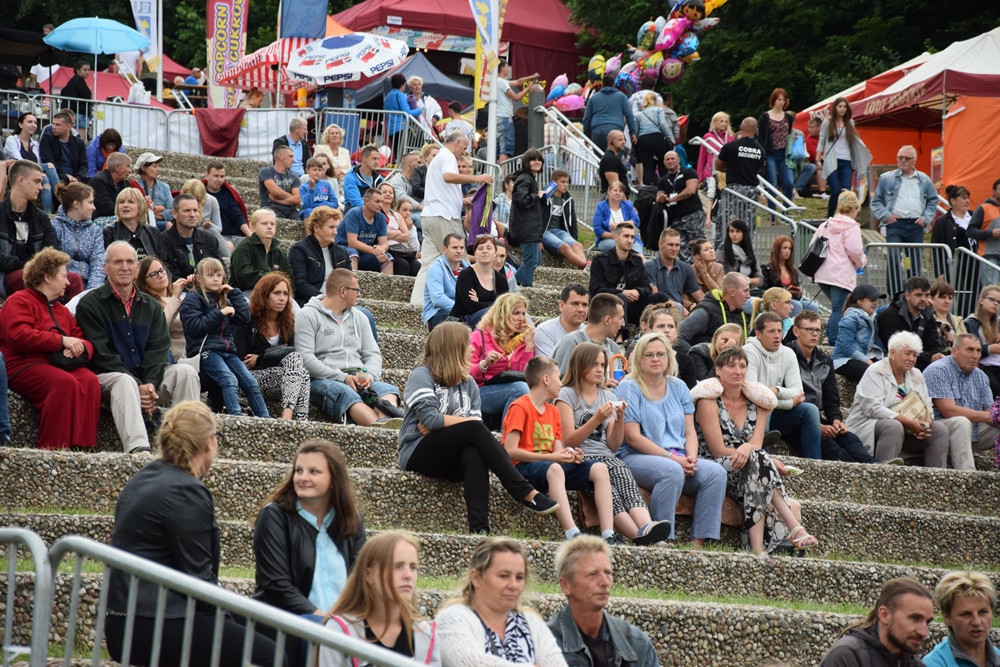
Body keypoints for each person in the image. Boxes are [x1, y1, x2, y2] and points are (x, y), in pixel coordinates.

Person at [104, 402, 282, 667]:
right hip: (156, 622)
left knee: (270, 630)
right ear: (209, 442)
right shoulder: (187, 491)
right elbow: (200, 584)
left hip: (128, 621)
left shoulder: (145, 476)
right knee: (274, 657)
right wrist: (232, 624)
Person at [399, 322, 558, 532]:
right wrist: (443, 423)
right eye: (467, 344)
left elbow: (453, 426)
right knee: (474, 429)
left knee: (475, 452)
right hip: (417, 451)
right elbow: (431, 421)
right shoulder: (422, 375)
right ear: (453, 347)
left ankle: (480, 530)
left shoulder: (469, 384)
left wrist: (443, 422)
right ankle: (524, 492)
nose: (473, 349)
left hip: (452, 458)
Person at [76, 241, 201, 453]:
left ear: (136, 268)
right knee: (124, 380)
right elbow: (102, 355)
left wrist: (150, 384)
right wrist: (138, 385)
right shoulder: (90, 304)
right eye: (117, 262)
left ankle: (186, 448)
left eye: (129, 262)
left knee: (186, 372)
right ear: (105, 268)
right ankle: (138, 449)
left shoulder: (151, 306)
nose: (124, 267)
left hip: (145, 383)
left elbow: (158, 351)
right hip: (107, 380)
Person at [694, 346, 817, 554]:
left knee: (758, 461)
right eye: (731, 366)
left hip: (751, 469)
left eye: (742, 366)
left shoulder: (758, 402)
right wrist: (749, 453)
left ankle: (758, 550)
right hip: (718, 467)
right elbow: (717, 450)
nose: (738, 371)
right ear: (718, 370)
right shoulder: (708, 402)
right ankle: (793, 527)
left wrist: (748, 450)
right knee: (759, 460)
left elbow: (757, 444)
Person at [614, 332, 727, 547]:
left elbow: (689, 433)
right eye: (649, 355)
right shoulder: (629, 387)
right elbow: (632, 437)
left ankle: (698, 542)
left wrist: (691, 458)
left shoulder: (679, 386)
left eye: (660, 354)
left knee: (716, 473)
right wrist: (674, 460)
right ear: (639, 359)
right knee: (671, 471)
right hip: (636, 455)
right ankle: (662, 538)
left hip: (678, 456)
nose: (655, 359)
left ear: (669, 358)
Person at [556, 343, 673, 546]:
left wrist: (619, 419)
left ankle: (649, 530)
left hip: (607, 456)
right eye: (594, 365)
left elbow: (612, 445)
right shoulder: (566, 395)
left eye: (602, 364)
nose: (600, 369)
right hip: (581, 458)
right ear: (580, 365)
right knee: (612, 495)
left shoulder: (608, 395)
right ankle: (640, 537)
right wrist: (595, 419)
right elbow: (569, 439)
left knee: (627, 485)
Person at [503, 356, 621, 543]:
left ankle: (609, 535)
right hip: (524, 468)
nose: (561, 382)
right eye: (558, 377)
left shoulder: (553, 411)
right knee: (555, 468)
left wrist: (571, 456)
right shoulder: (520, 406)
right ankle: (571, 533)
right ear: (546, 379)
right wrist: (552, 458)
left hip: (551, 467)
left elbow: (558, 452)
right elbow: (509, 451)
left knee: (599, 468)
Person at [253, 440, 366, 617]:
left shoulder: (353, 521)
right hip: (289, 627)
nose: (303, 478)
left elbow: (361, 583)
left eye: (314, 472)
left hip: (341, 630)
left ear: (334, 480)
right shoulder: (274, 517)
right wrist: (324, 623)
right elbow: (277, 586)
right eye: (299, 471)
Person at [0, 247, 98, 450]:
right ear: (47, 276)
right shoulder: (18, 300)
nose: (68, 282)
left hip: (56, 363)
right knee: (64, 383)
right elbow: (18, 336)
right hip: (22, 363)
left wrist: (80, 348)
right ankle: (53, 449)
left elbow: (83, 339)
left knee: (89, 380)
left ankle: (83, 448)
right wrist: (61, 341)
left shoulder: (62, 310)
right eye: (63, 276)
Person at [435, 538, 568, 667]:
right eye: (504, 576)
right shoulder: (451, 619)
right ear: (476, 578)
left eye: (519, 577)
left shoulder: (532, 622)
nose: (513, 585)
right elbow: (470, 663)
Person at [295, 269, 402, 427]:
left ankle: (387, 425)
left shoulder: (360, 317)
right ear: (343, 291)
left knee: (388, 391)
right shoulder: (307, 315)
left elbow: (372, 354)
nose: (359, 294)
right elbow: (305, 359)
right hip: (324, 379)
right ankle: (381, 428)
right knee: (347, 394)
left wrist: (369, 377)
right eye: (356, 290)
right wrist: (342, 377)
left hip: (358, 378)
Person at [319, 531, 440, 667]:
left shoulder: (424, 634)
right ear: (369, 575)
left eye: (413, 567)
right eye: (397, 567)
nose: (408, 575)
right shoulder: (339, 631)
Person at [548, 536, 661, 667]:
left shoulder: (637, 644)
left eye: (608, 573)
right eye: (592, 574)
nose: (605, 582)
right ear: (565, 584)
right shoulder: (543, 647)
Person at [179, 257, 269, 418]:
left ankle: (267, 420)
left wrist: (234, 294)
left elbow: (244, 318)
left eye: (219, 275)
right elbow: (195, 327)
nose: (215, 279)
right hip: (207, 352)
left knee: (251, 383)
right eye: (210, 275)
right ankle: (236, 418)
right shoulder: (193, 298)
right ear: (199, 278)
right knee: (229, 380)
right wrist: (220, 313)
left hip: (227, 351)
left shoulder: (223, 299)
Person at [844, 331, 949, 467]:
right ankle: (885, 473)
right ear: (892, 353)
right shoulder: (875, 371)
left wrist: (925, 423)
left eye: (915, 355)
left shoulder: (916, 374)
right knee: (893, 425)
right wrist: (907, 421)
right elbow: (873, 408)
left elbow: (927, 404)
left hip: (909, 431)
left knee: (939, 429)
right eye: (907, 353)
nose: (911, 359)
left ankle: (937, 477)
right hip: (869, 428)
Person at [410, 131, 491, 307]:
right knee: (459, 257)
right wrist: (477, 178)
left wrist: (465, 201)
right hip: (444, 217)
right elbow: (448, 177)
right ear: (457, 143)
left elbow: (441, 191)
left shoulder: (439, 158)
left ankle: (416, 303)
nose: (464, 151)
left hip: (430, 216)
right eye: (464, 147)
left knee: (429, 263)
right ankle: (471, 301)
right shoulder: (447, 156)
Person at [788, 310, 881, 464]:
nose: (814, 334)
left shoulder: (824, 359)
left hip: (818, 415)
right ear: (796, 331)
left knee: (849, 438)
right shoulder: (787, 355)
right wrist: (817, 426)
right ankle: (861, 470)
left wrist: (836, 420)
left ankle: (876, 467)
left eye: (817, 330)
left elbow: (831, 397)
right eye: (809, 330)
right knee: (831, 447)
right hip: (795, 418)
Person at [0, 160, 84, 299]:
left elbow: (52, 251)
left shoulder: (41, 218)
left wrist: (39, 269)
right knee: (28, 278)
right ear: (21, 180)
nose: (41, 187)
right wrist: (30, 267)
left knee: (74, 280)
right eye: (37, 181)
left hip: (38, 272)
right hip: (7, 275)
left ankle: (71, 319)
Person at [235, 272, 312, 421]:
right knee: (301, 374)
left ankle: (289, 415)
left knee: (301, 370)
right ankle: (299, 420)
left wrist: (261, 359)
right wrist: (265, 360)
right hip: (249, 379)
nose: (282, 298)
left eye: (285, 293)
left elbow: (292, 352)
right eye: (276, 293)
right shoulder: (247, 319)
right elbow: (240, 359)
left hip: (283, 378)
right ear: (264, 295)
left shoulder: (288, 322)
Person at [743, 312, 822, 459]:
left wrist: (776, 391)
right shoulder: (748, 352)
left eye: (779, 331)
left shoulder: (788, 353)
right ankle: (763, 463)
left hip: (775, 411)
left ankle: (814, 462)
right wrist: (789, 403)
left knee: (810, 410)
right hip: (750, 413)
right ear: (758, 334)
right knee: (763, 408)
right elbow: (754, 396)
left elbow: (798, 391)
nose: (777, 336)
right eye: (771, 331)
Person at [817, 576, 933, 667]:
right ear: (884, 615)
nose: (923, 632)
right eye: (914, 618)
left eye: (927, 622)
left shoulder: (916, 665)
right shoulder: (848, 657)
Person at [870, 145, 939, 297]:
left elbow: (933, 200)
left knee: (913, 262)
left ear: (914, 161)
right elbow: (876, 202)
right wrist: (887, 216)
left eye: (906, 158)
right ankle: (895, 294)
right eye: (900, 157)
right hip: (896, 224)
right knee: (894, 257)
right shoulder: (887, 178)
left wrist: (925, 219)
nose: (902, 161)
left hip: (916, 225)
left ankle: (914, 293)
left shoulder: (924, 179)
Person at [923, 334, 998, 471]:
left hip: (973, 432)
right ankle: (968, 476)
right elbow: (949, 410)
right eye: (969, 350)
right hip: (938, 431)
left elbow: (990, 410)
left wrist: (995, 416)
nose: (975, 355)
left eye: (978, 351)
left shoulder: (981, 376)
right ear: (954, 351)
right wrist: (992, 416)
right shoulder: (938, 370)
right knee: (961, 421)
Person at [468, 292, 534, 423]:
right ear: (502, 314)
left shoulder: (522, 340)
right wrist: (484, 364)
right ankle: (508, 438)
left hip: (511, 389)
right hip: (478, 392)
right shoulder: (479, 336)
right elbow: (465, 374)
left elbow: (524, 375)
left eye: (523, 313)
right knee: (520, 389)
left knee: (526, 389)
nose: (521, 318)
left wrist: (528, 347)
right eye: (516, 313)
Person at [590, 222, 669, 329]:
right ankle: (621, 338)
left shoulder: (637, 261)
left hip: (632, 308)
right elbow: (596, 290)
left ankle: (657, 332)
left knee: (661, 297)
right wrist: (622, 292)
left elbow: (646, 288)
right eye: (626, 236)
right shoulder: (600, 261)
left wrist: (637, 291)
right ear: (615, 237)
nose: (630, 240)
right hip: (608, 309)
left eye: (632, 237)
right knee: (620, 298)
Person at [814, 190, 868, 341]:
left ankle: (832, 337)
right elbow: (855, 251)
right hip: (840, 274)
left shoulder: (826, 224)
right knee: (839, 309)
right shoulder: (851, 227)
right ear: (854, 209)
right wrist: (862, 262)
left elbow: (814, 243)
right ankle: (833, 340)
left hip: (822, 273)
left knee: (838, 308)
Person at [924, 570, 1000, 667]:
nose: (976, 622)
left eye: (982, 612)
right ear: (947, 617)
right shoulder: (935, 663)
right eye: (966, 614)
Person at [816, 96, 872, 218]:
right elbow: (822, 140)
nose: (842, 109)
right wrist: (817, 157)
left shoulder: (850, 123)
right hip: (831, 160)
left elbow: (855, 141)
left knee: (845, 191)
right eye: (840, 106)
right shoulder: (827, 123)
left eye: (844, 107)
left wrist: (862, 155)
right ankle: (830, 217)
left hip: (846, 160)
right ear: (835, 108)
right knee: (835, 190)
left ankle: (845, 217)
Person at [876, 275, 945, 371]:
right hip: (895, 366)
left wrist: (935, 356)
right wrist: (929, 357)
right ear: (907, 296)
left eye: (927, 295)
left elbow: (934, 345)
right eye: (918, 295)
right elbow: (898, 349)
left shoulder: (928, 314)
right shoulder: (889, 315)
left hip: (922, 364)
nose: (923, 299)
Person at [714, 118, 765, 245]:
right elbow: (758, 168)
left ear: (741, 128)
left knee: (726, 223)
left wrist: (730, 168)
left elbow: (718, 165)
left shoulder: (731, 146)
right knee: (747, 225)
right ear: (756, 131)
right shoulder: (761, 150)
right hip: (752, 192)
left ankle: (722, 252)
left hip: (733, 190)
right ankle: (746, 251)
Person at [677, 272, 750, 354]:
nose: (748, 296)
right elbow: (677, 336)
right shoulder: (706, 311)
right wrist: (698, 358)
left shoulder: (742, 314)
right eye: (745, 291)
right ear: (732, 292)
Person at [51, 181, 106, 290]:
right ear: (76, 204)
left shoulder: (95, 230)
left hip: (89, 286)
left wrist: (93, 291)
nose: (94, 207)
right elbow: (54, 263)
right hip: (64, 286)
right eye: (90, 203)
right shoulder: (54, 227)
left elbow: (98, 262)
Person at [157, 194, 225, 280]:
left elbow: (221, 269)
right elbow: (168, 274)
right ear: (174, 213)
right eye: (187, 211)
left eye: (195, 210)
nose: (192, 215)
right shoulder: (163, 241)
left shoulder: (209, 240)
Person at [506, 148, 546, 287]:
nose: (537, 162)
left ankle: (513, 284)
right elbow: (521, 199)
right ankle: (527, 290)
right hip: (526, 228)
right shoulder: (524, 178)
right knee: (531, 261)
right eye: (533, 160)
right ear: (526, 162)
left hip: (531, 228)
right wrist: (537, 196)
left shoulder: (529, 178)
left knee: (537, 260)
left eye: (539, 160)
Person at [4, 112, 59, 212]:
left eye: (35, 123)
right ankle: (61, 198)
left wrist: (39, 173)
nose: (34, 125)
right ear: (20, 124)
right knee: (49, 166)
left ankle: (48, 212)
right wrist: (38, 171)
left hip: (32, 173)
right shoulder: (11, 139)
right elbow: (20, 161)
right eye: (30, 122)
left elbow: (38, 162)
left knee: (45, 179)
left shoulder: (35, 144)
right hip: (17, 172)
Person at [137, 256, 188, 362]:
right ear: (144, 282)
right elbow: (161, 327)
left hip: (195, 353)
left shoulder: (184, 297)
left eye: (162, 270)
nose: (161, 275)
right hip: (173, 358)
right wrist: (175, 297)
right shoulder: (147, 304)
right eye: (154, 274)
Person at [652, 152, 702, 260]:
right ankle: (692, 269)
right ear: (664, 162)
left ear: (678, 159)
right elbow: (659, 195)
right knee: (680, 247)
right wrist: (661, 199)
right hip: (675, 218)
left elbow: (691, 190)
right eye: (667, 159)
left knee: (698, 244)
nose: (670, 161)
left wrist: (673, 199)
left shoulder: (689, 172)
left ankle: (704, 270)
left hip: (692, 214)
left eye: (672, 158)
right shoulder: (663, 180)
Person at [833, 285, 887, 385]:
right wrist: (867, 360)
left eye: (876, 300)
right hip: (844, 360)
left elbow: (886, 308)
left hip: (865, 357)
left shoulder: (871, 314)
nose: (875, 303)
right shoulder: (851, 317)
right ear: (859, 301)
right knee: (872, 373)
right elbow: (845, 346)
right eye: (871, 300)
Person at [451, 235, 509, 327]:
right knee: (491, 313)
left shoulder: (500, 279)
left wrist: (479, 303)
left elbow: (505, 305)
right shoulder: (466, 275)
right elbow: (471, 307)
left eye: (489, 248)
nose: (485, 251)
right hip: (464, 322)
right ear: (475, 253)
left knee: (517, 313)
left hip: (492, 319)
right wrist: (495, 303)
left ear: (495, 253)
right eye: (480, 248)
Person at [644, 228, 704, 315]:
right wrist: (683, 311)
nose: (674, 249)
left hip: (681, 311)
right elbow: (656, 297)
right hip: (658, 311)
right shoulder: (649, 266)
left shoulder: (685, 268)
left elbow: (699, 296)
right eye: (670, 245)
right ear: (660, 244)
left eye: (677, 245)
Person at [230, 208, 292, 292]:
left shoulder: (280, 254)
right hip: (248, 292)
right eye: (264, 223)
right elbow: (244, 278)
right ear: (252, 227)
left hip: (277, 293)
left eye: (272, 224)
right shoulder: (244, 248)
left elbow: (290, 281)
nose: (269, 227)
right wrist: (274, 279)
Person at [541, 169, 587, 269]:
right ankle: (585, 266)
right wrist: (536, 240)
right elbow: (536, 219)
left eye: (567, 182)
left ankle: (585, 265)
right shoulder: (544, 197)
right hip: (544, 232)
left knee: (577, 245)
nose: (566, 185)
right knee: (565, 247)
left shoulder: (568, 199)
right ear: (554, 183)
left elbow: (573, 221)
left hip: (559, 231)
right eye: (562, 182)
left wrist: (574, 238)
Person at [495, 61, 539, 161]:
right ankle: (504, 174)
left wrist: (531, 77)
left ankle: (497, 173)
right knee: (505, 149)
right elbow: (516, 97)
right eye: (507, 67)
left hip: (498, 117)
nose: (508, 69)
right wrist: (529, 87)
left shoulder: (498, 82)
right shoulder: (502, 82)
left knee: (498, 148)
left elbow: (519, 82)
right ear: (502, 68)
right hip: (505, 117)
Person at [931, 185, 974, 285]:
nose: (967, 201)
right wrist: (939, 272)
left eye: (968, 198)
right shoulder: (942, 222)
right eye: (963, 198)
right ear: (953, 201)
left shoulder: (975, 217)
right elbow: (936, 248)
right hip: (954, 266)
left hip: (974, 265)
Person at [758, 88, 795, 200]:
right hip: (770, 154)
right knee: (772, 185)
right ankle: (773, 215)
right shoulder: (765, 116)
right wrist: (762, 155)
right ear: (774, 100)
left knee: (789, 183)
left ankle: (786, 212)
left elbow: (788, 134)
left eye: (783, 100)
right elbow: (761, 138)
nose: (781, 102)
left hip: (784, 154)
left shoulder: (788, 117)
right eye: (779, 99)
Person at [761, 235, 813, 316]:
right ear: (777, 249)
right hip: (775, 301)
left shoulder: (793, 270)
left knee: (813, 306)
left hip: (791, 299)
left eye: (789, 248)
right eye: (784, 248)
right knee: (796, 305)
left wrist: (798, 294)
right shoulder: (766, 268)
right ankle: (791, 328)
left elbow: (798, 297)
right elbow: (764, 291)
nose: (787, 251)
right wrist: (784, 291)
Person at [584, 74, 637, 153]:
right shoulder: (622, 97)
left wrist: (585, 135)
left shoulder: (594, 98)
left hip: (597, 130)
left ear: (602, 84)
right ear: (614, 84)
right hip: (616, 130)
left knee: (600, 161)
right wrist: (632, 132)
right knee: (614, 159)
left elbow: (586, 118)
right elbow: (629, 116)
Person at [964, 285, 1000, 399]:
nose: (996, 304)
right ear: (981, 300)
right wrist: (989, 349)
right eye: (992, 299)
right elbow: (971, 349)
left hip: (997, 364)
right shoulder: (971, 322)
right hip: (982, 366)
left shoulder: (998, 324)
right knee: (994, 386)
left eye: (998, 302)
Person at [179, 178, 230, 259]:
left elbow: (219, 228)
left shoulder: (211, 201)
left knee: (213, 233)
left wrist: (210, 225)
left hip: (206, 233)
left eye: (197, 200)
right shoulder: (178, 203)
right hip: (185, 231)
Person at [203, 161, 251, 246]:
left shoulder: (229, 194)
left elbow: (237, 216)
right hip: (213, 236)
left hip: (235, 236)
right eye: (216, 176)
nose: (219, 179)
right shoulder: (200, 194)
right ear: (207, 175)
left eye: (222, 176)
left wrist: (250, 235)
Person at [535, 285, 589, 358]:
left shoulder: (590, 334)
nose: (581, 309)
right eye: (575, 304)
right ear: (562, 306)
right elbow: (548, 367)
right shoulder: (545, 331)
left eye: (584, 305)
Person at [380, 182, 420, 277]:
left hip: (400, 250)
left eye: (390, 192)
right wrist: (398, 232)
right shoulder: (377, 214)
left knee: (416, 266)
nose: (388, 194)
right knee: (403, 265)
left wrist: (389, 234)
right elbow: (381, 233)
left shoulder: (396, 215)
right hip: (387, 249)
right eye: (384, 192)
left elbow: (406, 236)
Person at [592, 181, 641, 252]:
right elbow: (598, 229)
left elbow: (636, 221)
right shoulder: (600, 206)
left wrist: (621, 224)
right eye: (615, 190)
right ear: (609, 192)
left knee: (638, 252)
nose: (618, 193)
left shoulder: (629, 205)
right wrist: (616, 237)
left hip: (630, 239)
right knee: (623, 246)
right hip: (608, 239)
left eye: (620, 191)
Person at [39, 111, 87, 183]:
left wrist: (77, 178)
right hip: (55, 175)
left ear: (68, 126)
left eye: (58, 125)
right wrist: (64, 176)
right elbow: (48, 161)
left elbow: (84, 165)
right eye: (53, 124)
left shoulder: (79, 143)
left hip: (75, 178)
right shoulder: (47, 139)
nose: (53, 127)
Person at [383, 74, 423, 160]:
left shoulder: (388, 96)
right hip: (402, 128)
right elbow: (407, 112)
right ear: (402, 85)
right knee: (409, 154)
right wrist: (420, 110)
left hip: (390, 130)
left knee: (399, 154)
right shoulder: (400, 95)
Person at [132, 152, 173, 229]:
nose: (158, 170)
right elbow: (137, 212)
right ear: (143, 168)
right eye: (154, 167)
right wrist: (162, 207)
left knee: (169, 225)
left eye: (157, 166)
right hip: (141, 224)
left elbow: (173, 211)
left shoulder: (164, 187)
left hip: (159, 222)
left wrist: (150, 212)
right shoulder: (135, 188)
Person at [259, 146, 301, 221]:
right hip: (271, 208)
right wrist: (291, 196)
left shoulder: (294, 177)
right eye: (290, 156)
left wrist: (278, 200)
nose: (293, 160)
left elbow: (297, 199)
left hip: (291, 210)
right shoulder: (266, 172)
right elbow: (276, 192)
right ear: (280, 156)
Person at [721, 219, 762, 293]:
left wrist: (748, 280)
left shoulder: (749, 251)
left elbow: (760, 279)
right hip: (731, 292)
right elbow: (719, 276)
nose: (734, 234)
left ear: (744, 233)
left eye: (738, 231)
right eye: (731, 231)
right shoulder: (722, 250)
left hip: (749, 290)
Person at [342, 145, 386, 213]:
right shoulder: (351, 176)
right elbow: (356, 202)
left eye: (378, 159)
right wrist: (374, 208)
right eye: (374, 159)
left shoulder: (379, 179)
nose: (377, 162)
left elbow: (385, 200)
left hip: (375, 213)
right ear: (364, 158)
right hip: (355, 215)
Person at [90, 151, 132, 220]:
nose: (130, 171)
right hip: (99, 219)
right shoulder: (99, 181)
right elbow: (107, 209)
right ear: (117, 167)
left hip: (119, 215)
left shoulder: (125, 183)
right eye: (127, 166)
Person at [696, 111, 734, 185]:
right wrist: (699, 176)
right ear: (715, 122)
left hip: (726, 173)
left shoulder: (730, 137)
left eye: (726, 122)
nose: (724, 123)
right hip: (710, 172)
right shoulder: (708, 137)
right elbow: (702, 158)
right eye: (721, 121)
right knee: (712, 194)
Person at [930, 281, 966, 356]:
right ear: (931, 298)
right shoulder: (927, 318)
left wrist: (956, 340)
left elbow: (968, 343)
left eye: (950, 298)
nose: (947, 301)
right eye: (943, 297)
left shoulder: (958, 320)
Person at [688, 238, 724, 304]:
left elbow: (719, 293)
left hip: (715, 305)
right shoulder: (690, 270)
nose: (711, 251)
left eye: (711, 248)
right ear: (698, 256)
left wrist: (704, 273)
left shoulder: (718, 268)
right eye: (706, 250)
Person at [597, 130, 631, 196]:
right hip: (614, 201)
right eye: (620, 140)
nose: (624, 142)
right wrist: (626, 203)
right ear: (610, 142)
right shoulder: (610, 159)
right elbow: (615, 187)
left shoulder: (612, 158)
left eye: (624, 139)